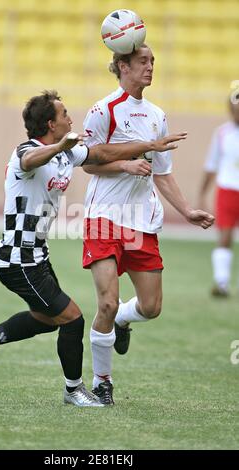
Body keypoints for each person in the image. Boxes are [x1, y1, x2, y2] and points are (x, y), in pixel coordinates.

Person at [0, 90, 185, 407]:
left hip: (37, 257)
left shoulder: (69, 153)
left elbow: (102, 154)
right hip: (16, 260)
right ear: (51, 124)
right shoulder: (27, 151)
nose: (71, 118)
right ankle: (73, 391)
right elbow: (29, 160)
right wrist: (59, 147)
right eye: (65, 114)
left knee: (46, 318)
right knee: (72, 319)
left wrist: (145, 148)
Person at [82, 44, 215, 405]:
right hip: (104, 218)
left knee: (151, 307)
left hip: (143, 222)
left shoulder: (157, 114)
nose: (150, 66)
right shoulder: (103, 110)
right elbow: (88, 163)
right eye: (143, 61)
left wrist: (187, 211)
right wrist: (124, 165)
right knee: (106, 303)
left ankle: (125, 320)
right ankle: (102, 381)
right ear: (122, 65)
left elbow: (162, 174)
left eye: (153, 61)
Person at [199, 96, 239, 297]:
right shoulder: (222, 133)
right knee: (225, 236)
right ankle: (221, 282)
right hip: (228, 189)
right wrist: (202, 194)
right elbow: (211, 165)